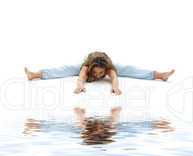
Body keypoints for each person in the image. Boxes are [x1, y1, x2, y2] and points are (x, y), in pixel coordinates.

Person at [24, 51, 175, 95]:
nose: (97, 76)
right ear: (91, 69)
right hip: (90, 60)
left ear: (105, 70)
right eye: (95, 73)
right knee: (65, 69)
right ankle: (34, 75)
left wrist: (115, 88)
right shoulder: (86, 68)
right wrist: (80, 86)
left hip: (105, 60)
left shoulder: (109, 68)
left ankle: (161, 75)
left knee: (130, 69)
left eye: (100, 73)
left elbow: (114, 78)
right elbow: (81, 78)